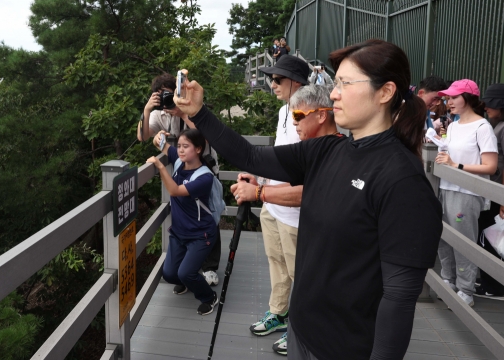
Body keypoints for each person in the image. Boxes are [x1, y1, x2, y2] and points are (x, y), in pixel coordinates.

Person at [175, 39, 442, 360]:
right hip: (303, 332)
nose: (333, 93)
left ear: (385, 92)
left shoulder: (404, 181)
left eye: (345, 84)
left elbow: (399, 297)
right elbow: (249, 155)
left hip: (344, 348)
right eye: (335, 83)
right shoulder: (329, 149)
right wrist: (199, 113)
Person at [230, 84, 338, 356]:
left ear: (322, 115)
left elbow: (307, 192)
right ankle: (280, 313)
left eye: (299, 116)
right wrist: (262, 186)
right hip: (274, 209)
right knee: (277, 262)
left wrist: (258, 192)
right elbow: (265, 161)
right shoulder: (301, 137)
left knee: (301, 276)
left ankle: (301, 330)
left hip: (298, 219)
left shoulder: (331, 149)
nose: (293, 121)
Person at [137, 73, 221, 286]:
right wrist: (147, 110)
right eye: (161, 96)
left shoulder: (190, 107)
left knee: (209, 214)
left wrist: (183, 114)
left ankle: (210, 267)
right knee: (186, 215)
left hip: (204, 168)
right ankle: (188, 269)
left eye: (169, 94)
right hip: (181, 169)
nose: (167, 100)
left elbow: (206, 137)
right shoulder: (159, 115)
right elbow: (142, 136)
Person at [435, 79, 498, 307]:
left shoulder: (483, 128)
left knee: (463, 242)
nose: (448, 101)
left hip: (467, 192)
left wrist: (456, 166)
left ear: (468, 98)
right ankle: (447, 281)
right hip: (443, 188)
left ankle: (465, 291)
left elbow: (490, 166)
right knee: (442, 239)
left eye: (454, 97)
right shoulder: (452, 125)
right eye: (448, 97)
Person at [146, 128, 219, 315]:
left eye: (186, 146)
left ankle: (209, 297)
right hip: (179, 233)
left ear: (198, 149)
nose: (180, 150)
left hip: (200, 234)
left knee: (186, 273)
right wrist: (158, 137)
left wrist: (161, 167)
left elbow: (175, 191)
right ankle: (186, 283)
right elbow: (160, 144)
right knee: (170, 274)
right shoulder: (179, 161)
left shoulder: (204, 177)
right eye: (179, 146)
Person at [475, 83, 504, 298]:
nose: (486, 108)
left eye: (491, 103)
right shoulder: (497, 125)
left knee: (492, 236)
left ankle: (494, 285)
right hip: (494, 189)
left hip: (498, 192)